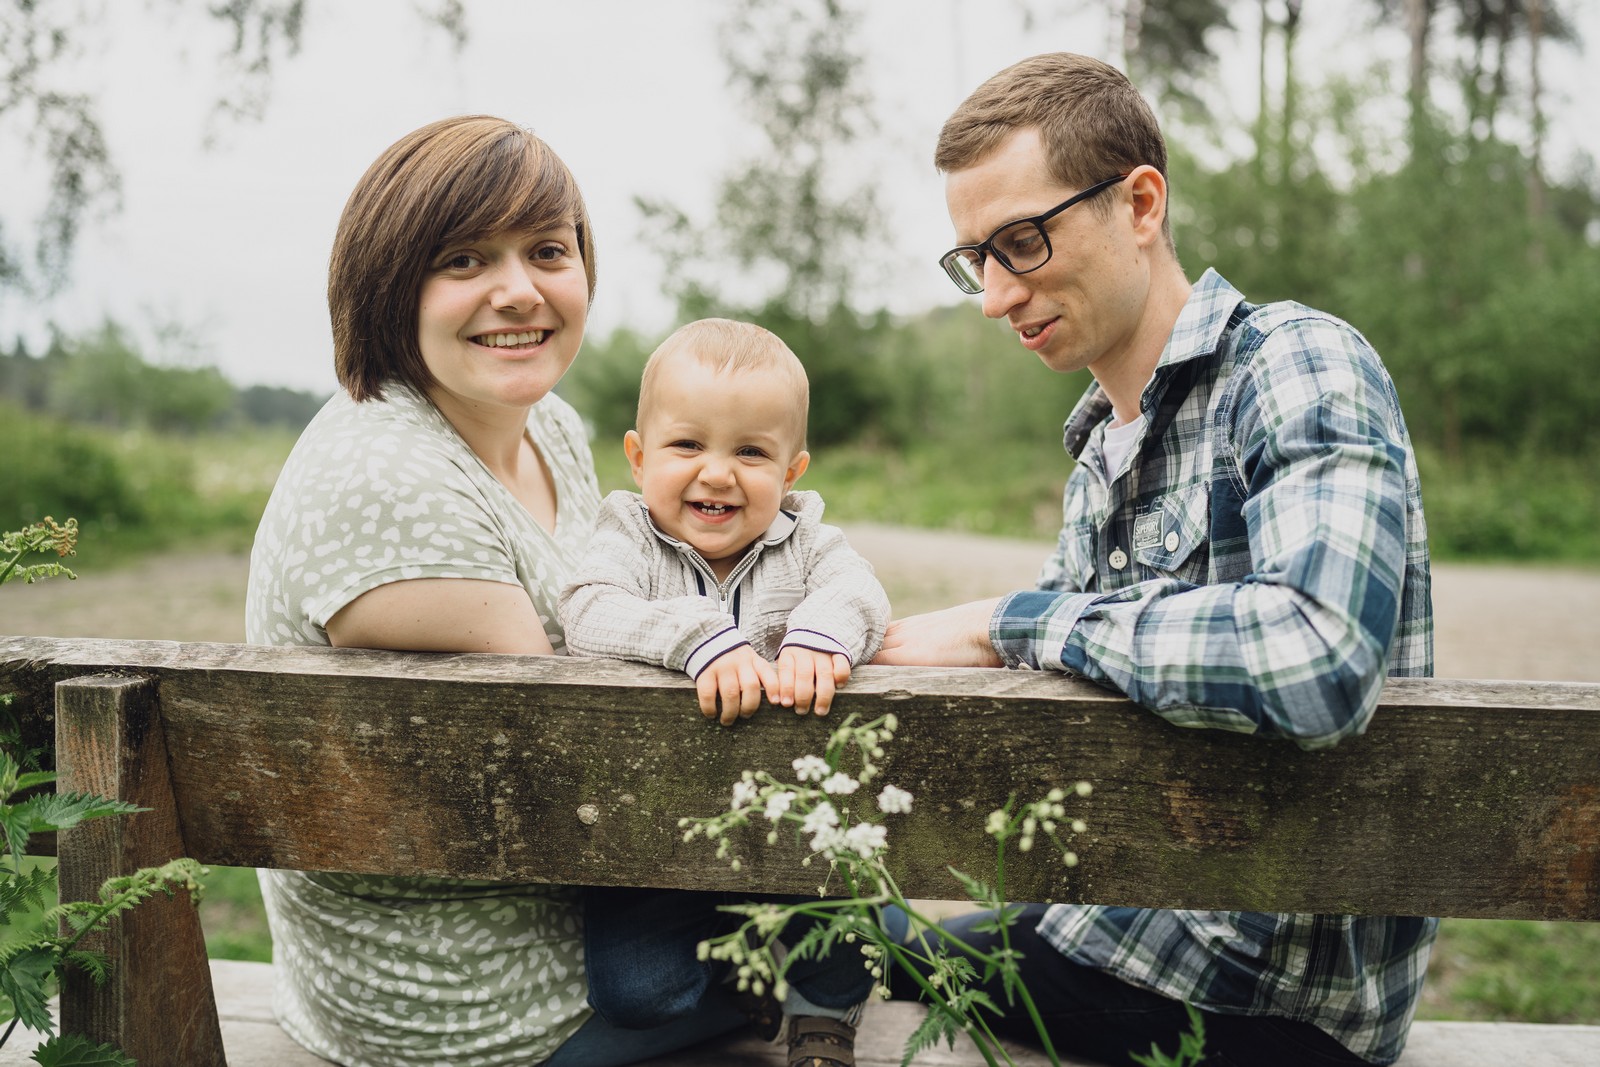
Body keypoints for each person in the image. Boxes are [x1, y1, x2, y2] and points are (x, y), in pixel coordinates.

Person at [244, 116, 855, 1067]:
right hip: (466, 995)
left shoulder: (548, 424)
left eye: (547, 251)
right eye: (462, 259)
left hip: (596, 901)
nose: (518, 290)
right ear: (388, 283)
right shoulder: (386, 483)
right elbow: (578, 753)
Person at [875, 54, 1435, 1067]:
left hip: (1264, 1000)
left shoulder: (1294, 361)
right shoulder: (1097, 442)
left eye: (1022, 242)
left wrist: (1015, 618)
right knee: (821, 931)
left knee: (834, 942)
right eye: (975, 260)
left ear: (1139, 202)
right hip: (1116, 933)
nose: (996, 296)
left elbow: (1317, 656)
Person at [558, 317, 889, 1062]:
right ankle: (737, 986)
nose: (717, 472)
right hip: (650, 833)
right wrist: (698, 637)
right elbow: (586, 606)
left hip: (793, 825)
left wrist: (817, 634)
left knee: (835, 915)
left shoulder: (806, 540)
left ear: (792, 470)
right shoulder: (628, 534)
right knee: (635, 991)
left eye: (749, 451)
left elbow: (860, 591)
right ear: (639, 457)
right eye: (687, 445)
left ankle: (823, 1014)